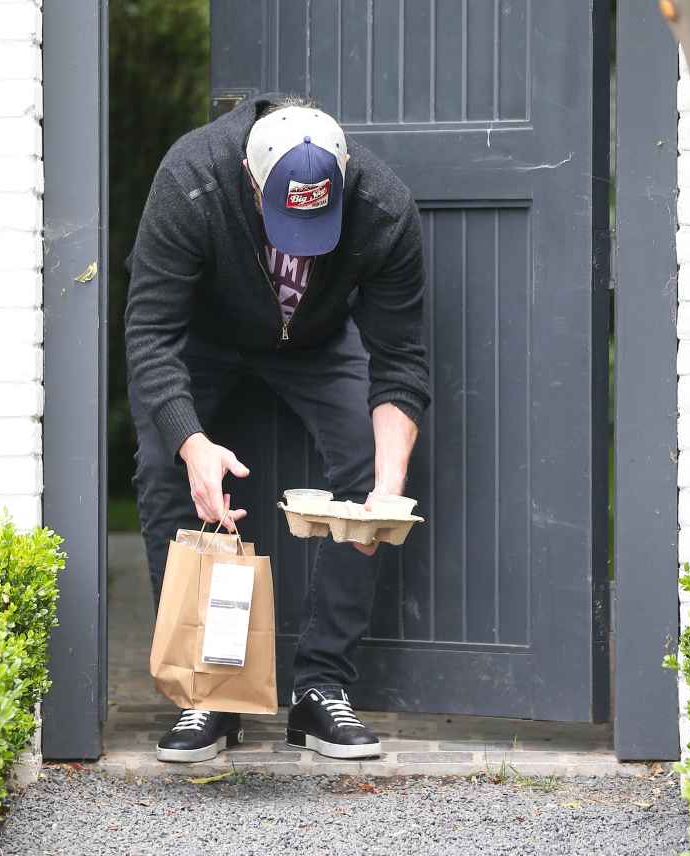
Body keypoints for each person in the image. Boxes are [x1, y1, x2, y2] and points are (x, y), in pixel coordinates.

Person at [125, 92, 430, 762]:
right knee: (162, 463)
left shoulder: (382, 206)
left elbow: (401, 361)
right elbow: (150, 334)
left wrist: (386, 489)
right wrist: (192, 442)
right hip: (202, 339)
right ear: (250, 177)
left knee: (365, 464)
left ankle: (322, 690)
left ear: (345, 183)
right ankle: (207, 693)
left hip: (316, 340)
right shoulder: (192, 178)